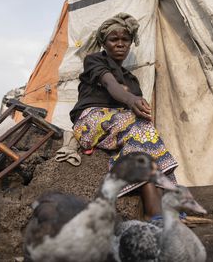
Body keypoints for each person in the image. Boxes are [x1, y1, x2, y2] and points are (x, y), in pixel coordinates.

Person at [70, 13, 178, 221]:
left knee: (146, 132)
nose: (120, 44)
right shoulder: (94, 61)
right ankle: (153, 210)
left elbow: (133, 105)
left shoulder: (131, 78)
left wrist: (137, 104)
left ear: (130, 43)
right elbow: (111, 85)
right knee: (138, 127)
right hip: (89, 121)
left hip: (120, 126)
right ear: (104, 43)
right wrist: (129, 99)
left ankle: (165, 205)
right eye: (114, 39)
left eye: (125, 40)